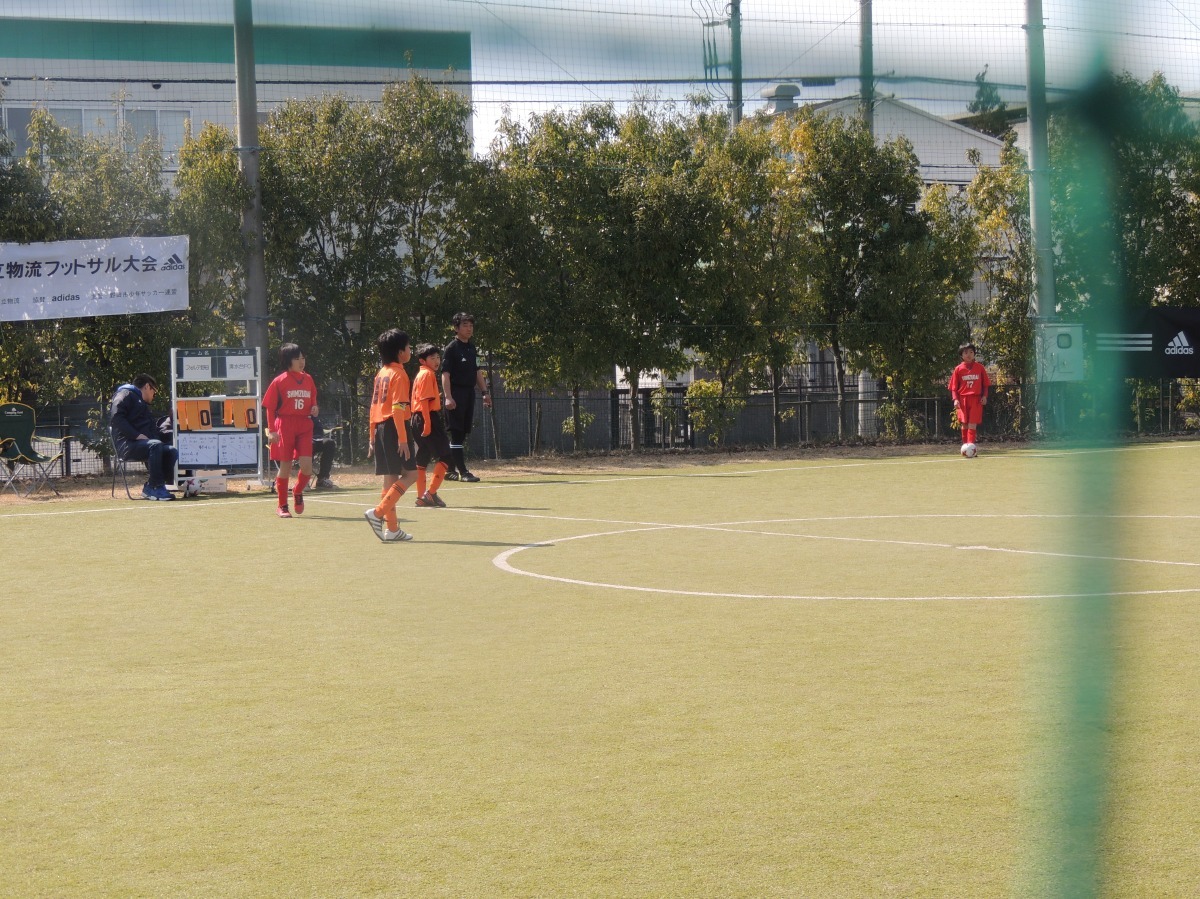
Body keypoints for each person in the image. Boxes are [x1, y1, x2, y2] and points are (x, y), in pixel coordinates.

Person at [363, 328, 417, 542]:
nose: (410, 350)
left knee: (390, 480)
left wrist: (371, 436)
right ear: (400, 352)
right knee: (412, 474)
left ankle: (392, 530)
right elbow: (397, 409)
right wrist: (403, 439)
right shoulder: (399, 374)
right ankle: (377, 513)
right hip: (395, 427)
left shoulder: (381, 373)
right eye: (408, 346)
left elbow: (373, 407)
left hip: (380, 427)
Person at [262, 343, 318, 518]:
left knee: (307, 467)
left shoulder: (308, 379)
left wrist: (315, 408)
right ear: (287, 361)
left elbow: (313, 401)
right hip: (285, 425)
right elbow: (270, 407)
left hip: (304, 425)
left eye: (303, 358)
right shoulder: (279, 381)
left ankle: (297, 491)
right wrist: (272, 430)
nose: (301, 362)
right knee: (285, 465)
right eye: (297, 358)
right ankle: (282, 505)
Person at [440, 311, 492, 482]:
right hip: (456, 393)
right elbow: (445, 374)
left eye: (471, 325)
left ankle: (449, 470)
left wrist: (485, 393)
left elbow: (477, 371)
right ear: (456, 328)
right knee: (456, 433)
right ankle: (463, 472)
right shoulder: (451, 348)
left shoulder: (473, 348)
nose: (469, 328)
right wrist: (448, 397)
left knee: (461, 434)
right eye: (465, 325)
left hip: (469, 393)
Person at [110, 373, 178, 501]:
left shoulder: (141, 404)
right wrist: (136, 435)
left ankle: (154, 485)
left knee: (171, 450)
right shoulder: (125, 394)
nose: (154, 396)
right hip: (126, 445)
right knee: (155, 445)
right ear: (147, 386)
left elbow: (152, 432)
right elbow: (116, 417)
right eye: (154, 391)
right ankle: (155, 487)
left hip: (144, 445)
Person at [410, 344, 453, 508]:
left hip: (416, 418)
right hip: (426, 417)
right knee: (446, 455)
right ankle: (431, 493)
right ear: (423, 361)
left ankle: (421, 496)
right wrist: (428, 423)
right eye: (432, 358)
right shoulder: (427, 374)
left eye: (438, 357)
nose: (436, 361)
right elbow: (424, 401)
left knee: (423, 456)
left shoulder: (421, 374)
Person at [949, 341, 990, 452]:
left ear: (974, 354)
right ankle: (965, 447)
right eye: (966, 352)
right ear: (961, 355)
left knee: (972, 423)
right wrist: (955, 399)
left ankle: (970, 447)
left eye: (971, 352)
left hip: (976, 399)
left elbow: (985, 385)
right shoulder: (958, 369)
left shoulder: (980, 368)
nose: (969, 355)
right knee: (964, 424)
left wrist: (985, 396)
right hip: (963, 400)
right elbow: (953, 387)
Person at [311, 420, 338, 490]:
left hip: (317, 439)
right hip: (302, 440)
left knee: (329, 443)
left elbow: (319, 429)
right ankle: (304, 480)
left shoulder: (314, 418)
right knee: (309, 445)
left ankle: (322, 478)